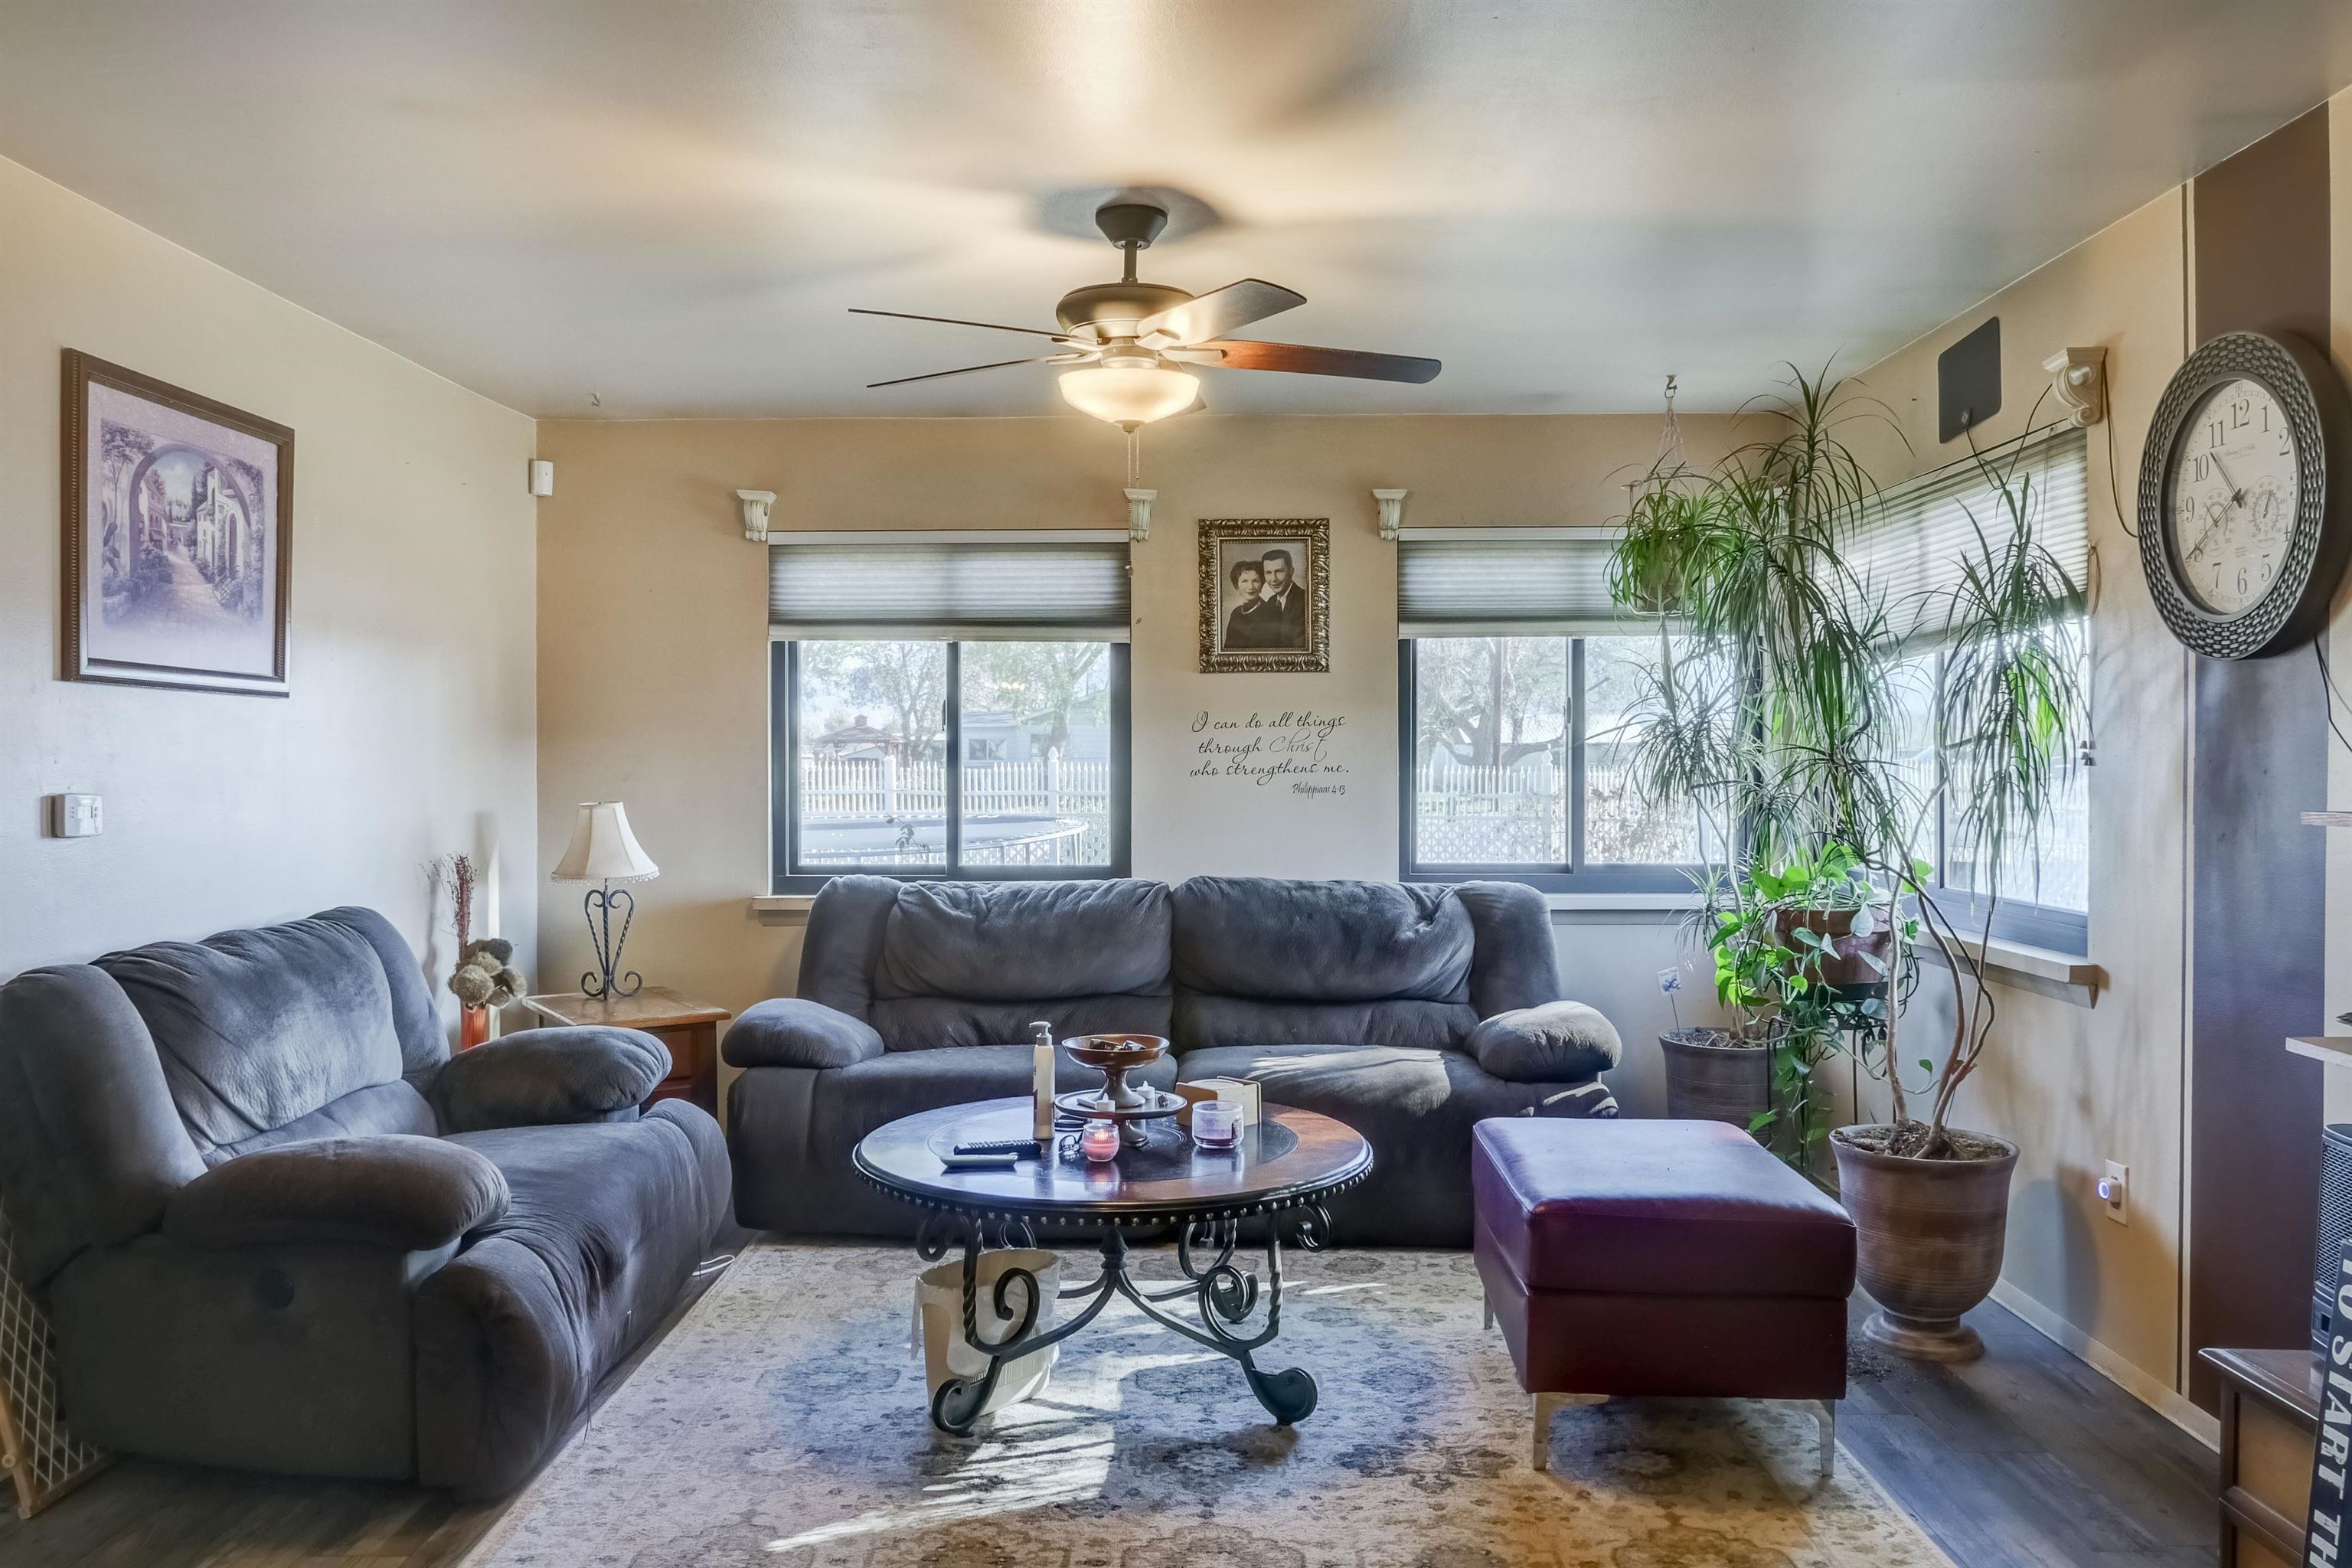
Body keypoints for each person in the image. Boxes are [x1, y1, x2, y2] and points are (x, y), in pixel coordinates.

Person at [1259, 547, 1307, 649]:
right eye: (1268, 573)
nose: (1274, 579)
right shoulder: (1271, 601)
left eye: (1279, 571)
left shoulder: (1305, 601)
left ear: (1291, 571)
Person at [1223, 560, 1269, 650]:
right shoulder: (1235, 613)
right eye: (1244, 581)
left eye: (1255, 581)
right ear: (1237, 587)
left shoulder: (1269, 612)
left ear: (1261, 585)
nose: (1251, 587)